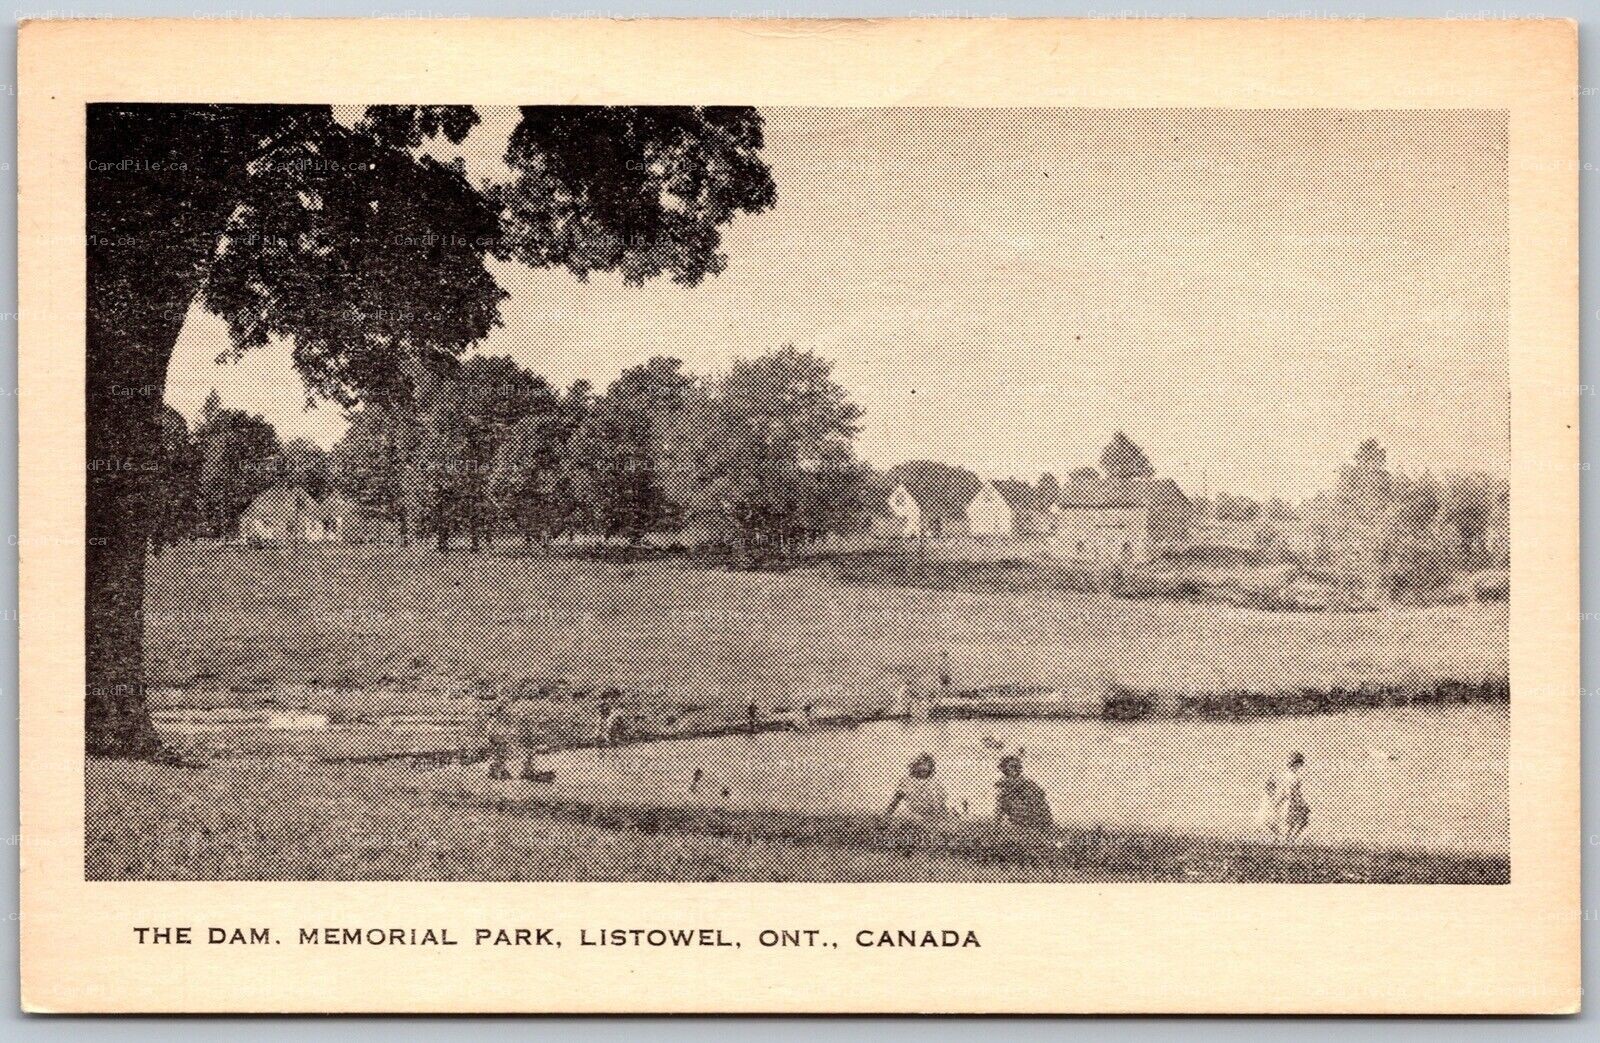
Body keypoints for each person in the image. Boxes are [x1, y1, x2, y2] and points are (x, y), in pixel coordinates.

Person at [1259, 751, 1311, 844]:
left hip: (1287, 801)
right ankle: (1287, 839)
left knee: (1296, 822)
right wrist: (1301, 803)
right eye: (1299, 764)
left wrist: (1276, 799)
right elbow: (1292, 792)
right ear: (1296, 764)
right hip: (1290, 802)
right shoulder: (1292, 777)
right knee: (1296, 821)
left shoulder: (1286, 775)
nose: (1300, 767)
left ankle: (1286, 839)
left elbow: (1275, 787)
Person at [886, 754, 950, 825]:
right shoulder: (906, 782)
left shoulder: (935, 784)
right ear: (915, 767)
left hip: (934, 816)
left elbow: (941, 804)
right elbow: (896, 800)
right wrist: (887, 814)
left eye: (927, 766)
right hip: (915, 816)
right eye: (921, 766)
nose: (924, 768)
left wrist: (942, 818)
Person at [994, 755, 1053, 830]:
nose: (1012, 770)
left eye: (1014, 767)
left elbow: (1039, 799)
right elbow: (1001, 808)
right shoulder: (1006, 785)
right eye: (1011, 767)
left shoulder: (1026, 785)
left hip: (1031, 822)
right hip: (1027, 822)